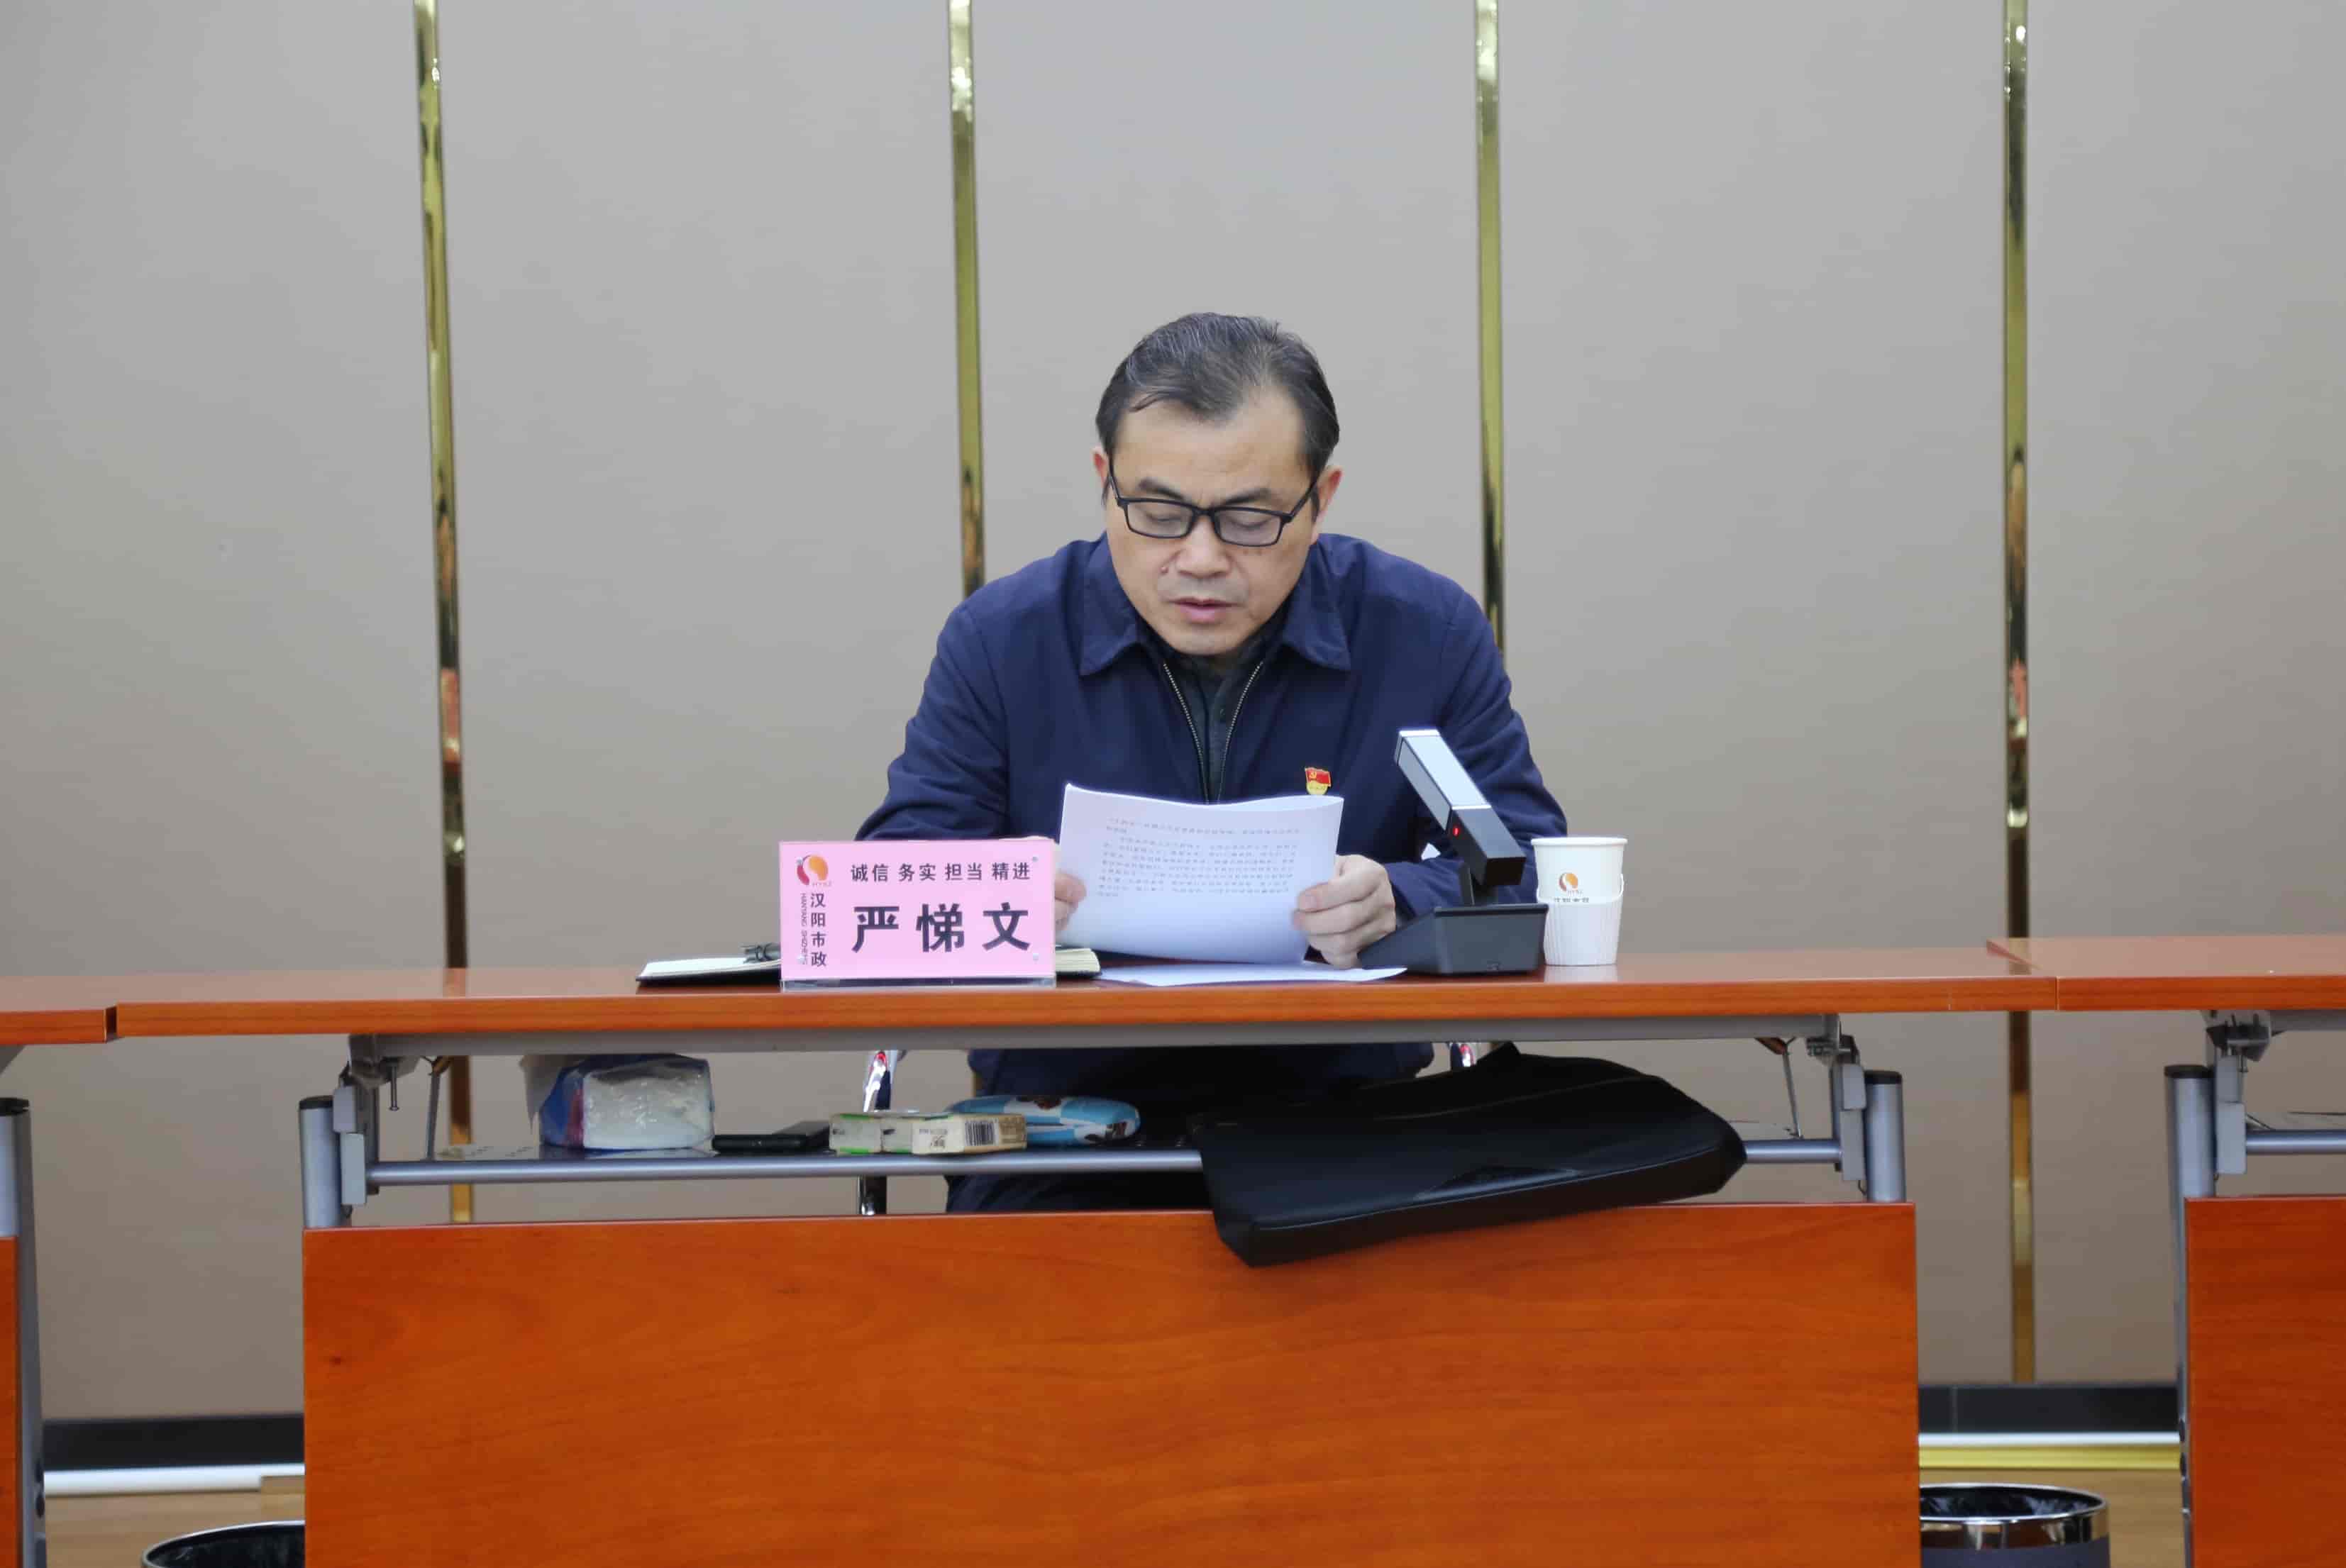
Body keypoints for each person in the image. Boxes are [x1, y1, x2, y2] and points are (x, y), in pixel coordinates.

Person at [859, 312, 1567, 1211]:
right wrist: (1000, 891)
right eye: (1158, 515)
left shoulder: (1419, 633)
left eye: (1249, 519)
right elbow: (894, 885)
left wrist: (1397, 897)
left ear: (1321, 499)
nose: (1199, 559)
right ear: (1103, 482)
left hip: (1347, 1125)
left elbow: (1530, 868)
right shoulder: (1005, 640)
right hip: (1061, 1134)